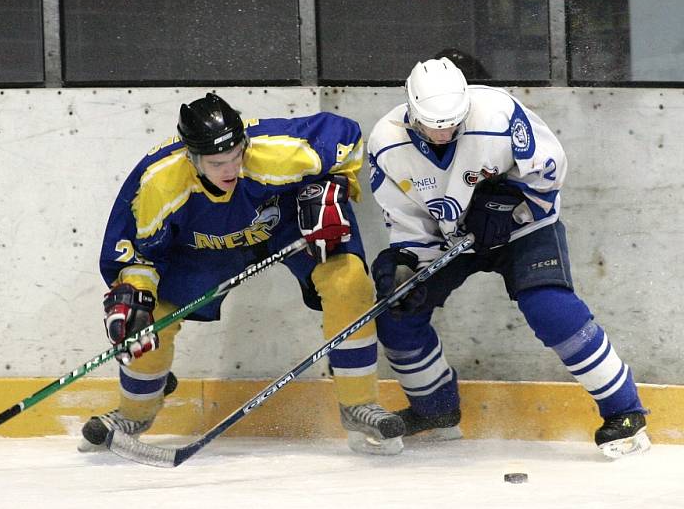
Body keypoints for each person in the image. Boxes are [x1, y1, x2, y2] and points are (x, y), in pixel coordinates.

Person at [79, 93, 405, 455]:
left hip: (285, 228)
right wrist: (135, 292)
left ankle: (358, 404)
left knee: (348, 281)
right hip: (201, 248)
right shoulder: (158, 183)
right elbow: (135, 254)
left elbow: (346, 137)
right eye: (218, 163)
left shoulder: (275, 151)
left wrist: (329, 188)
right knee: (146, 316)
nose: (231, 169)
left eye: (237, 156)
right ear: (192, 157)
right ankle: (134, 414)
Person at [366, 57, 651, 459]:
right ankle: (435, 412)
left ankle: (625, 412)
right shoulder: (386, 143)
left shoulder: (499, 113)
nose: (445, 132)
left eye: (453, 121)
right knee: (398, 313)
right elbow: (408, 221)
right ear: (412, 111)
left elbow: (550, 170)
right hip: (453, 239)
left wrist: (508, 201)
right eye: (435, 123)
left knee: (549, 307)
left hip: (525, 228)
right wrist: (406, 264)